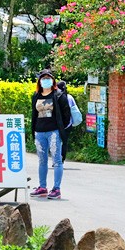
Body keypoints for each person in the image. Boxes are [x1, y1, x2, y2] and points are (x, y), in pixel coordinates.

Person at [29, 69, 70, 200]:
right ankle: (42, 187)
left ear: (53, 80)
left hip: (53, 132)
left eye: (48, 78)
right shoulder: (36, 95)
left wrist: (60, 128)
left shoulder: (58, 95)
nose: (45, 80)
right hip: (39, 132)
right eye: (43, 78)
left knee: (57, 160)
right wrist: (34, 130)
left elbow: (66, 115)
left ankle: (56, 189)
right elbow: (34, 114)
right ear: (39, 81)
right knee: (42, 160)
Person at [57, 81, 80, 161]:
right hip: (68, 124)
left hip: (57, 124)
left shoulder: (55, 97)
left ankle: (56, 159)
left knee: (56, 142)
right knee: (64, 142)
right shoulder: (69, 97)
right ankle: (62, 159)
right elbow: (74, 110)